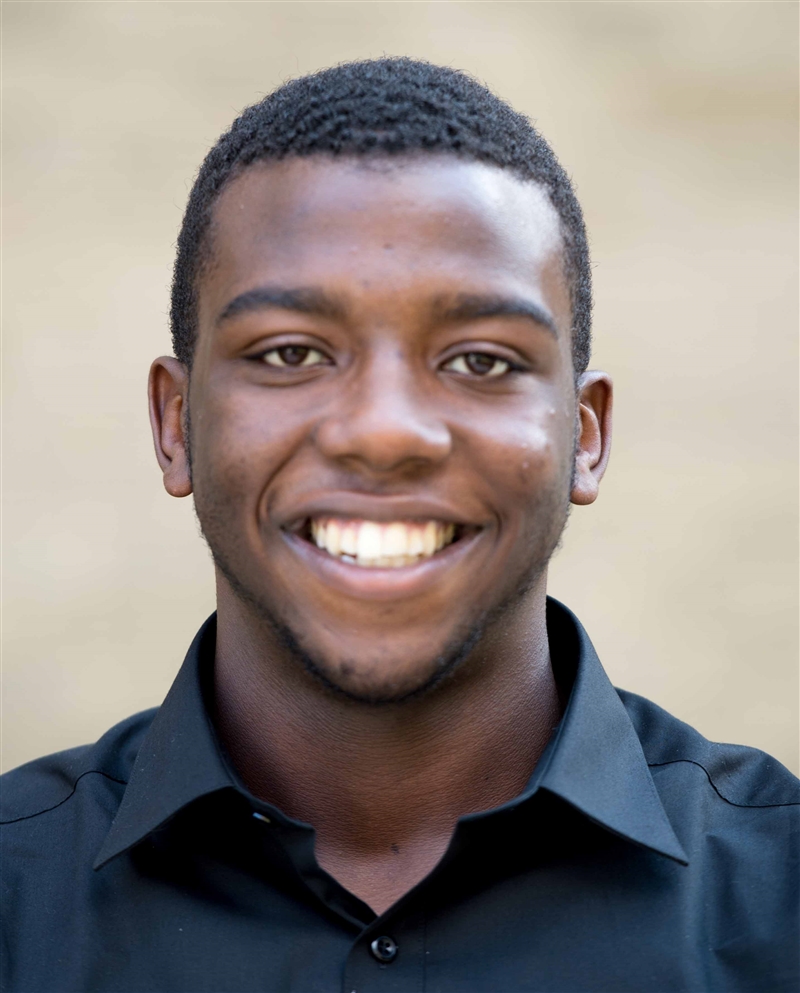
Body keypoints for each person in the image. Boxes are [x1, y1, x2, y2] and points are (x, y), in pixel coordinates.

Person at [1, 58, 797, 993]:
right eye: (290, 352)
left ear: (585, 438)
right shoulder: (18, 899)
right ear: (177, 426)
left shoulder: (777, 900)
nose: (384, 433)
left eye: (481, 360)